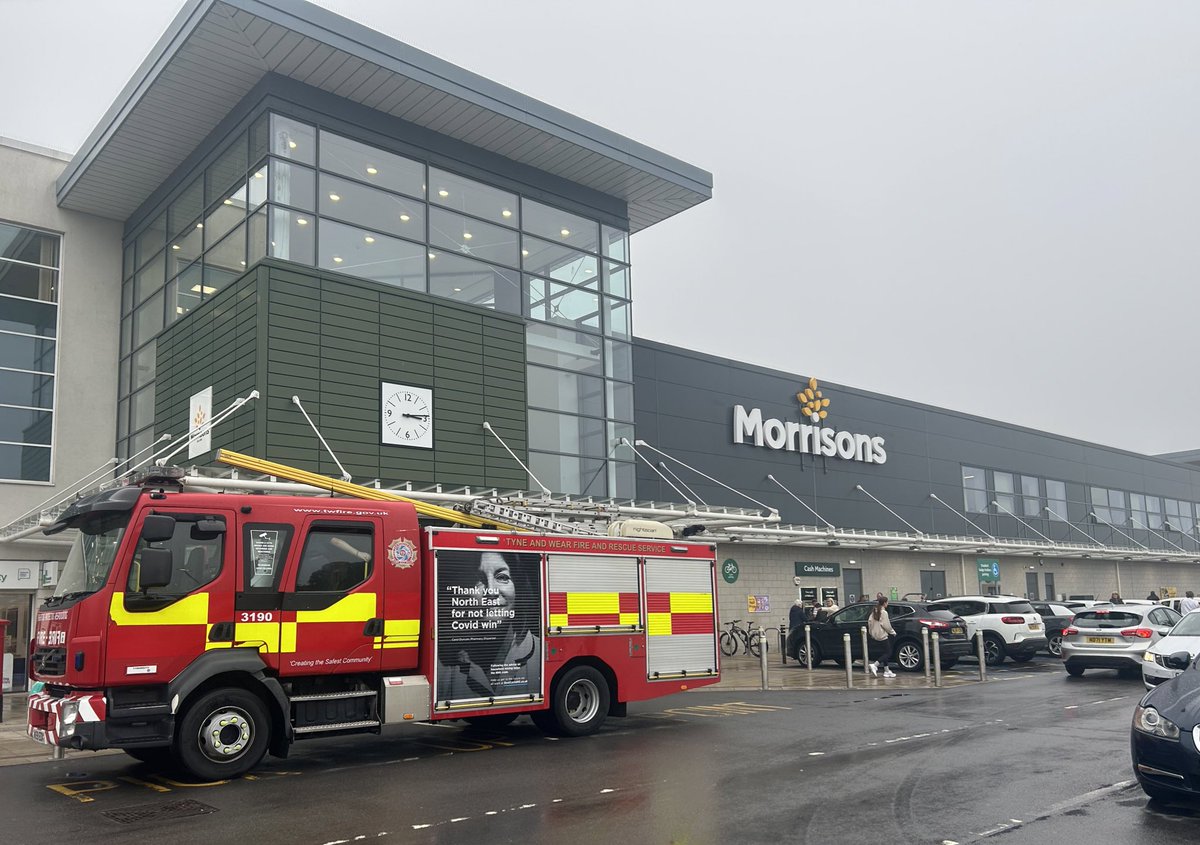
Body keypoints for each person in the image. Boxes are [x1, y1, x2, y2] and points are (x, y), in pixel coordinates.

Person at [436, 550, 541, 701]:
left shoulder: (540, 657)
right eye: (478, 580)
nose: (491, 591)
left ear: (518, 586)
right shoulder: (443, 667)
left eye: (502, 577)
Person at [867, 596, 896, 678]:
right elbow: (886, 625)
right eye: (887, 602)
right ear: (884, 603)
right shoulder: (884, 612)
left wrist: (871, 632)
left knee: (884, 652)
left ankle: (886, 670)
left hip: (875, 634)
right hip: (882, 634)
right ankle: (875, 665)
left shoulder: (874, 611)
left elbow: (869, 622)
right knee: (888, 652)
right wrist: (892, 632)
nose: (888, 603)